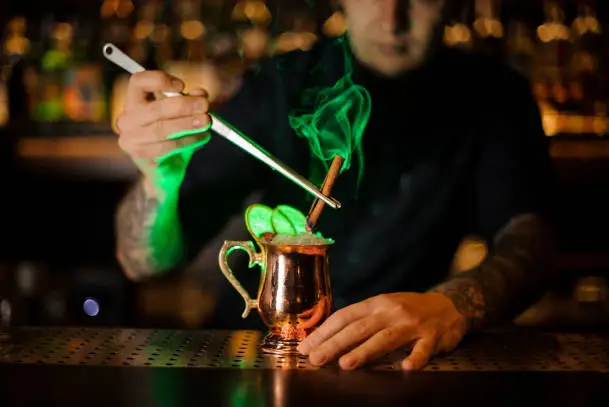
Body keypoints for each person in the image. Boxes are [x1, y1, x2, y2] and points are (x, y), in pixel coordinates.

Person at [114, 0, 558, 371]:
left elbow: (530, 240)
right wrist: (158, 181)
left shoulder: (492, 96)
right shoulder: (284, 83)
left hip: (395, 366)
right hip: (256, 361)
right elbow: (144, 262)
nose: (392, 17)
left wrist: (455, 306)